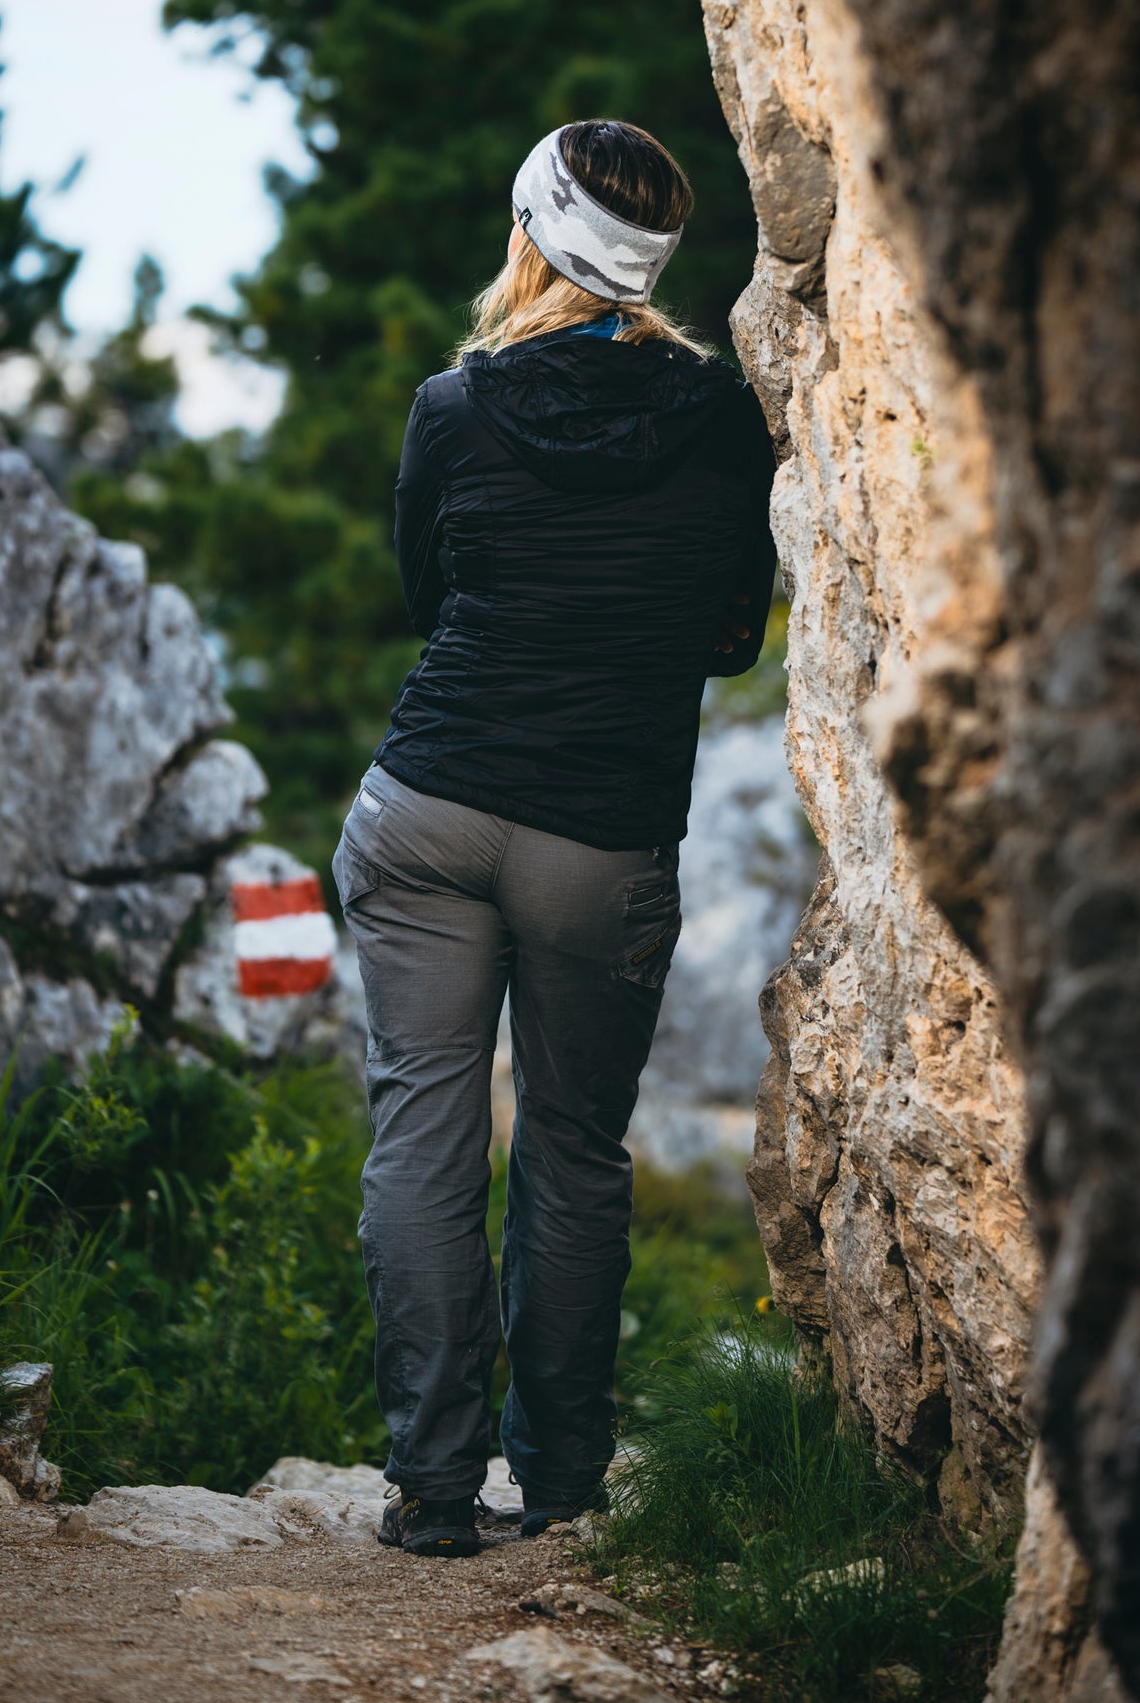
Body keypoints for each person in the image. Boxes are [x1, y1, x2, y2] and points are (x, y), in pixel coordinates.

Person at [333, 119, 777, 1558]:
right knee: (576, 1152)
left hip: (430, 807)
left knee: (422, 1136)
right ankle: (568, 1488)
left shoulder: (454, 405)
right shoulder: (725, 416)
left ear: (531, 233)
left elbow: (429, 591)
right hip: (602, 840)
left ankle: (433, 1494)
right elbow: (728, 628)